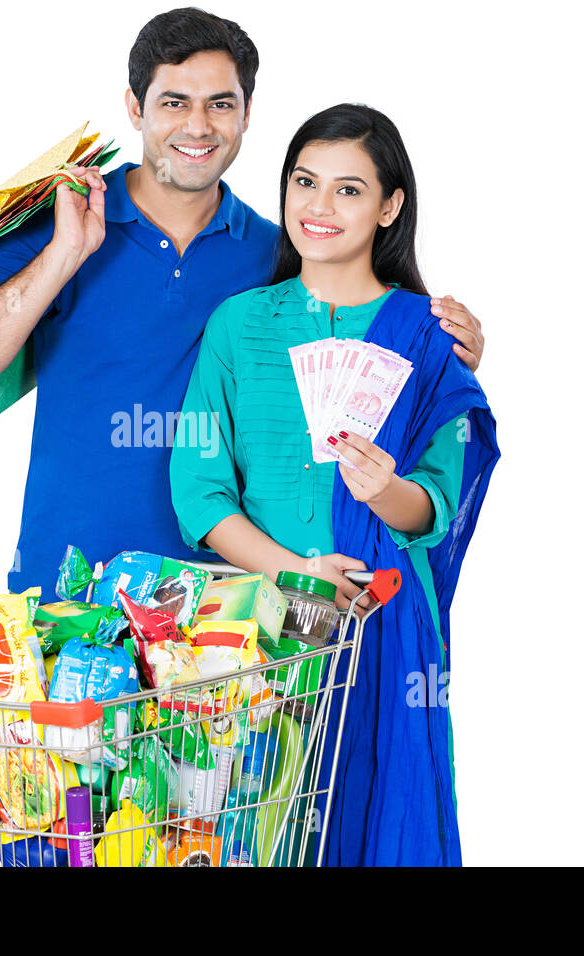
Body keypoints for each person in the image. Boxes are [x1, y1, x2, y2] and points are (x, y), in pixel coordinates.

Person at [0, 8, 485, 601]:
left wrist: (442, 353)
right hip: (68, 586)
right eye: (173, 102)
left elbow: (366, 351)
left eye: (221, 103)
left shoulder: (281, 253)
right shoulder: (64, 220)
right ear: (135, 107)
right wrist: (67, 253)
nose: (198, 126)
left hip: (234, 611)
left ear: (247, 114)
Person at [169, 103, 500, 865]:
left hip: (381, 621)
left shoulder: (427, 332)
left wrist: (385, 490)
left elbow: (437, 506)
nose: (319, 207)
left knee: (380, 825)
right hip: (261, 624)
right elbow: (201, 490)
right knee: (253, 830)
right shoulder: (237, 324)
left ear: (390, 207)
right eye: (304, 182)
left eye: (349, 190)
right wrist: (296, 572)